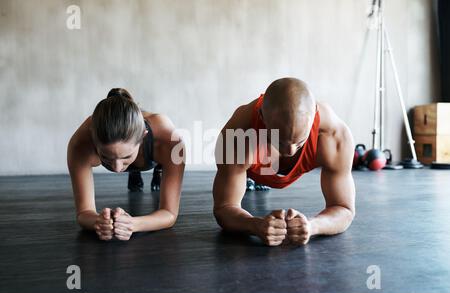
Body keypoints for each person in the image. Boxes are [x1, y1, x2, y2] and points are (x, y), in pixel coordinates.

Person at [213, 78, 355, 246]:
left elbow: (344, 209)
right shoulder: (238, 133)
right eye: (279, 141)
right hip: (253, 163)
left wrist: (312, 226)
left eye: (300, 142)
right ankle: (252, 178)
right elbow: (224, 208)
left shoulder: (334, 135)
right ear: (262, 117)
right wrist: (254, 225)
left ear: (314, 115)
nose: (290, 152)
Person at [67, 88, 185, 241]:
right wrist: (100, 222)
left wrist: (133, 224)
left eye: (126, 157)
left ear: (143, 137)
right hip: (141, 152)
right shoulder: (80, 144)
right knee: (131, 170)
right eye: (106, 157)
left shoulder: (170, 141)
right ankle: (132, 168)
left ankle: (157, 171)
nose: (116, 168)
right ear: (93, 140)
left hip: (156, 157)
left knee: (158, 171)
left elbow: (169, 214)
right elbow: (83, 213)